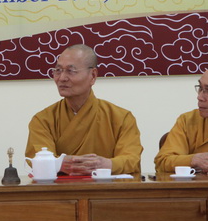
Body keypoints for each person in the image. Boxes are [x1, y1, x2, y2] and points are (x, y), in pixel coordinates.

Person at [25, 44, 143, 175]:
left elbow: (132, 159)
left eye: (71, 71)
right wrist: (62, 164)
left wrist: (105, 165)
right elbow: (37, 157)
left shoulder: (121, 118)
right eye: (58, 70)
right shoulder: (43, 120)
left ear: (93, 76)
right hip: (59, 187)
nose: (62, 78)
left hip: (106, 187)